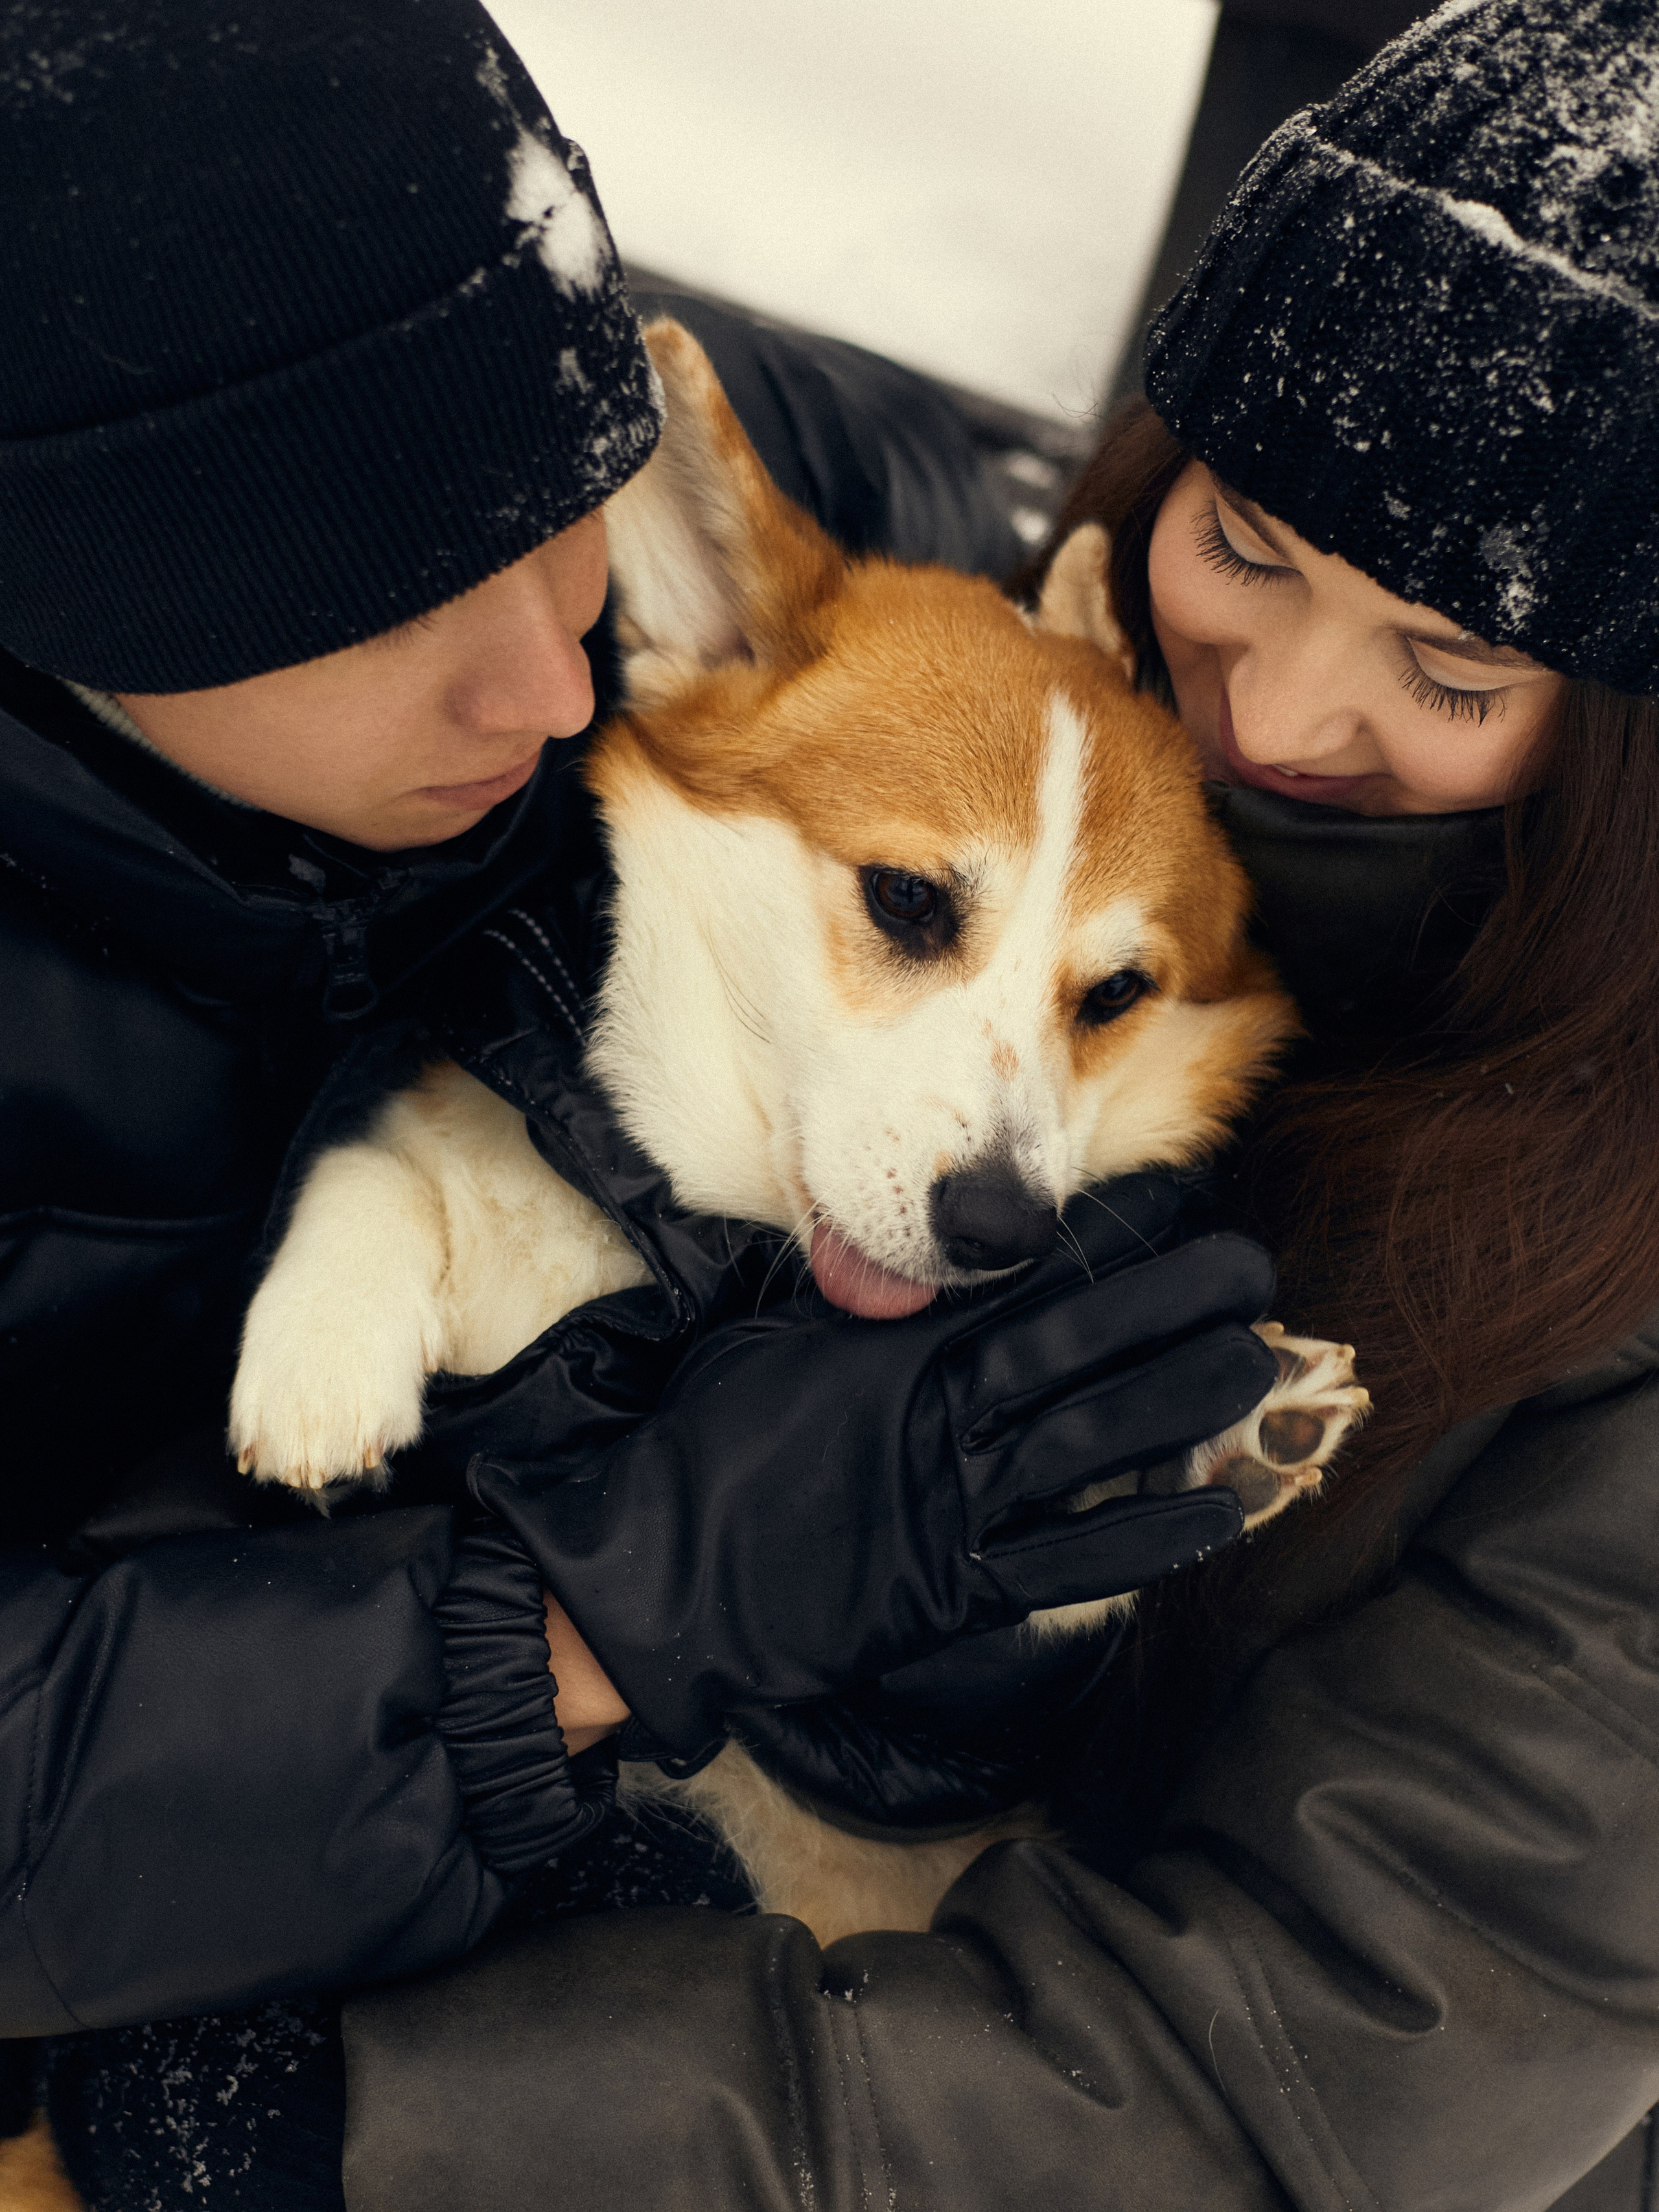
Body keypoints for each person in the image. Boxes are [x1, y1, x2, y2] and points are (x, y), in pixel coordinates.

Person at [322, 3, 1659, 2207]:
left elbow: (1309, 2082)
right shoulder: (1003, 650)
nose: (1279, 713)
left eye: (1452, 669)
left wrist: (384, 2121)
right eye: (1249, 541)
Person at [0, 1, 1292, 2203]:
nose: (552, 671)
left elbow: (874, 555)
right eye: (380, 605)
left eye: (563, 523)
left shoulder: (662, 507)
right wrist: (614, 1610)